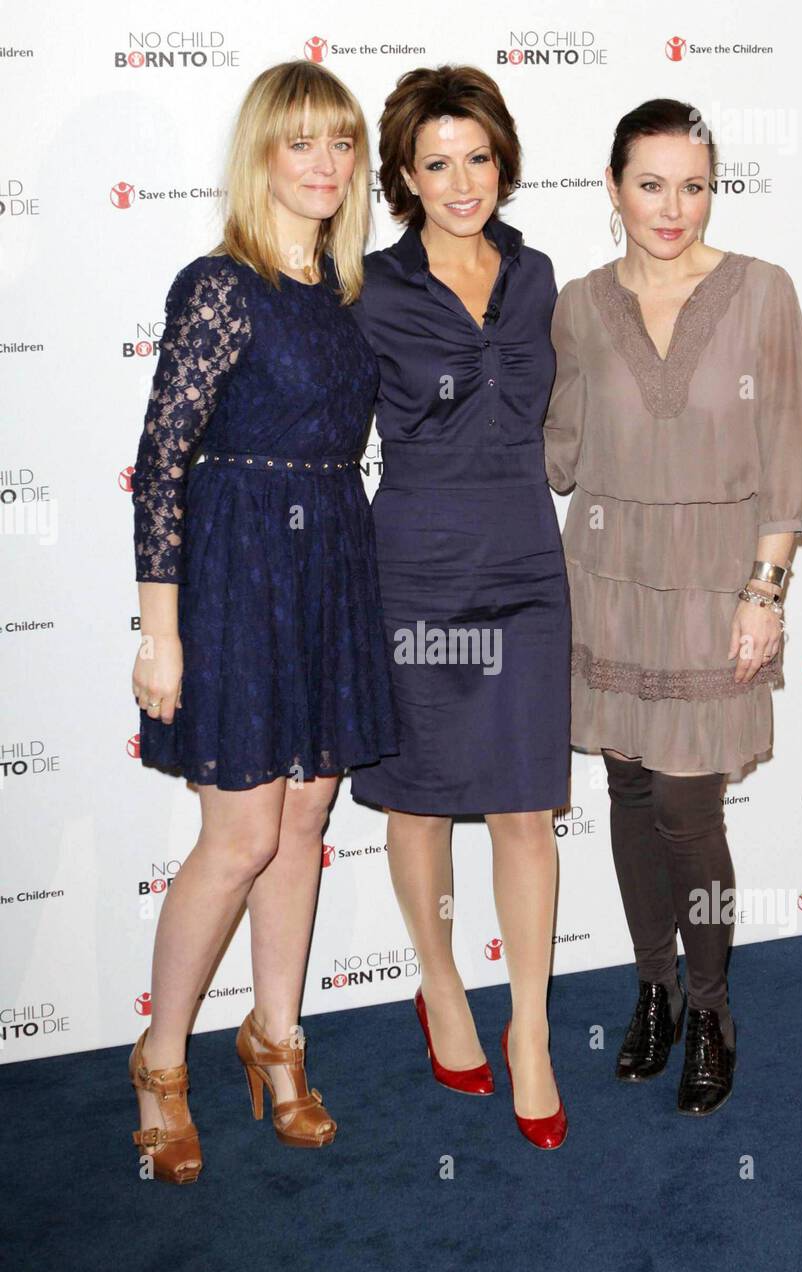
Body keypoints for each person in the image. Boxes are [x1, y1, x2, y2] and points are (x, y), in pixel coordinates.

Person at [128, 61, 399, 1182]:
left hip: (331, 561)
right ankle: (159, 1060)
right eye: (301, 144)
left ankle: (277, 1039)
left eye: (341, 145)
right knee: (236, 837)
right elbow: (159, 467)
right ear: (262, 157)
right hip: (237, 576)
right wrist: (161, 629)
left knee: (302, 827)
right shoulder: (218, 285)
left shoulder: (349, 299)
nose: (326, 165)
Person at [544, 98, 802, 1116]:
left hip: (713, 585)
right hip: (607, 583)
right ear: (612, 189)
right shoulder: (576, 306)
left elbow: (787, 462)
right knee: (624, 794)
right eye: (650, 184)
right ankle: (649, 987)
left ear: (714, 188)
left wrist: (765, 589)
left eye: (693, 184)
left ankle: (709, 1006)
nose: (673, 207)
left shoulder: (760, 293)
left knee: (687, 811)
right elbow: (557, 452)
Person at [349, 66, 571, 1148]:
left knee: (526, 805)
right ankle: (440, 983)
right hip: (419, 568)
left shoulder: (535, 276)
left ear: (502, 158)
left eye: (476, 156)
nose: (461, 180)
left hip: (528, 561)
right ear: (402, 174)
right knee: (424, 799)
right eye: (436, 162)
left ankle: (529, 1028)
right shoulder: (371, 287)